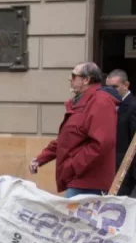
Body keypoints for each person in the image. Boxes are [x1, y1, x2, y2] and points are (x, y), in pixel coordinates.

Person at [30, 62, 118, 198]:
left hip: (88, 184)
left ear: (86, 79)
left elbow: (102, 143)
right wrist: (40, 159)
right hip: (78, 181)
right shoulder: (80, 102)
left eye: (74, 76)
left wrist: (72, 166)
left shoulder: (100, 101)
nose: (70, 79)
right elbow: (66, 139)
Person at [105, 69, 136, 196]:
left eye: (115, 87)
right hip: (110, 168)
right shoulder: (108, 105)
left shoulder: (133, 106)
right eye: (108, 87)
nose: (111, 90)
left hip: (126, 171)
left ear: (126, 85)